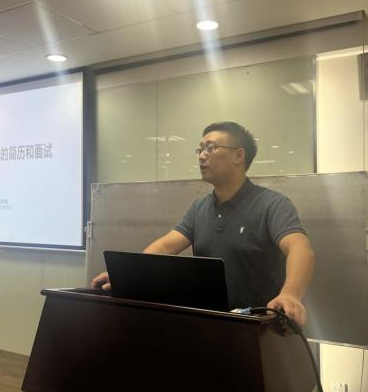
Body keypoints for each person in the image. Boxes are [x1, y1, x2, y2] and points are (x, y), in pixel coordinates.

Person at [91, 121, 315, 326]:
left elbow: (299, 248)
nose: (201, 156)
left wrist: (291, 294)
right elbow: (166, 246)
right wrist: (126, 276)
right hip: (211, 324)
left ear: (239, 155)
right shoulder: (199, 208)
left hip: (260, 327)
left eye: (211, 148)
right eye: (200, 150)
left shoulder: (272, 204)